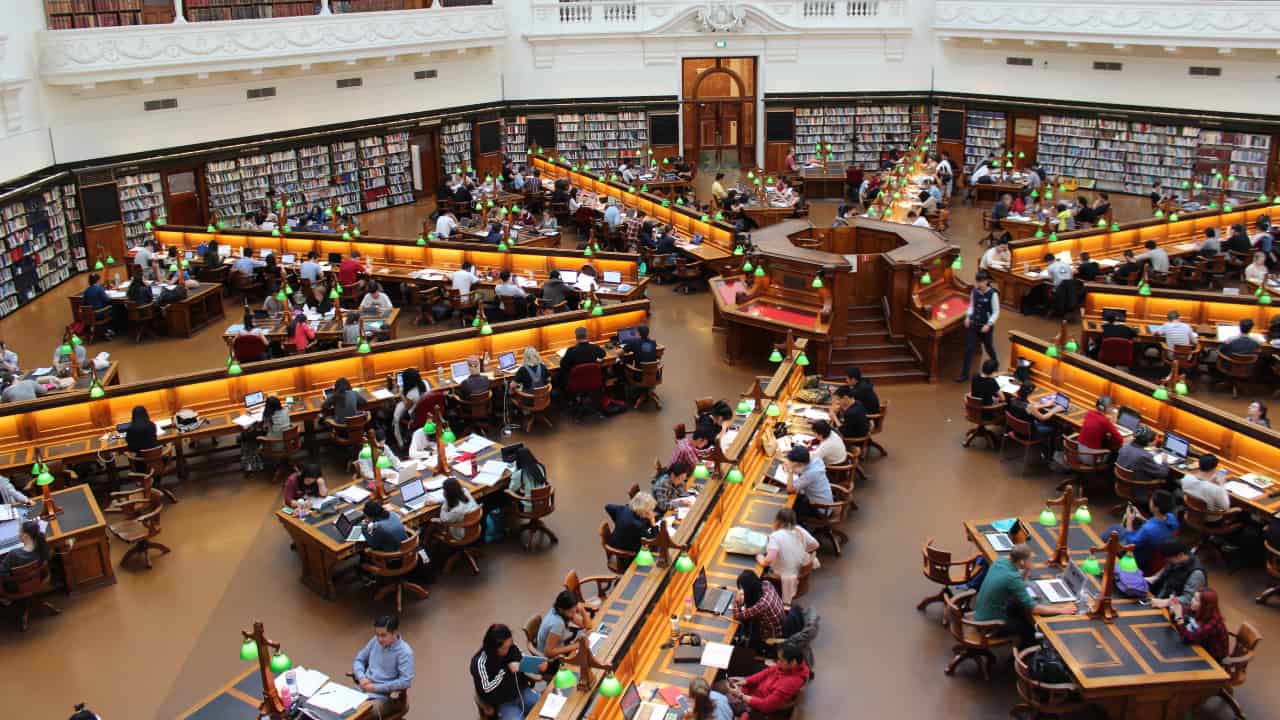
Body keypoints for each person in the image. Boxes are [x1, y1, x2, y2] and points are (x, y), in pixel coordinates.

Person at [972, 544, 1076, 646]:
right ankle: (1020, 657)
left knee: (1019, 607)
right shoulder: (1012, 578)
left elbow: (1017, 583)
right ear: (1022, 561)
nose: (1032, 562)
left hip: (982, 612)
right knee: (1030, 628)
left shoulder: (1000, 561)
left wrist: (1027, 569)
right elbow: (1034, 608)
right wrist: (1062, 610)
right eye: (1030, 560)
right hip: (990, 624)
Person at [471, 623, 542, 720]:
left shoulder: (511, 647)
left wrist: (536, 665)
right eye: (504, 648)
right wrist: (505, 670)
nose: (508, 650)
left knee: (546, 705)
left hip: (522, 692)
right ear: (494, 648)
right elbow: (486, 688)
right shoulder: (480, 662)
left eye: (510, 644)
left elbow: (522, 658)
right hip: (503, 703)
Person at [719, 644, 810, 719]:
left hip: (755, 705)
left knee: (720, 698)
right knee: (726, 684)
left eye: (781, 660)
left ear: (793, 662)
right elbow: (767, 672)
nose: (777, 662)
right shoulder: (790, 666)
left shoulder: (790, 683)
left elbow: (766, 706)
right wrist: (746, 681)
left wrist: (740, 695)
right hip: (752, 692)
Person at [1102, 489, 1178, 573]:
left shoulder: (1147, 529)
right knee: (1117, 527)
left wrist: (1129, 520)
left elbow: (1130, 544)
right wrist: (1142, 518)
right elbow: (1158, 526)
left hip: (1136, 557)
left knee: (1113, 531)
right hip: (1151, 548)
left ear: (1156, 508)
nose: (1150, 501)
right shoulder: (1171, 518)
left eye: (1151, 500)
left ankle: (1100, 552)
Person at [352, 615, 415, 715]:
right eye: (377, 634)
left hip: (383, 697)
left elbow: (405, 682)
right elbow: (359, 660)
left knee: (362, 715)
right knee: (338, 707)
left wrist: (375, 688)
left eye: (383, 635)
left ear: (395, 633)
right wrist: (361, 677)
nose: (379, 639)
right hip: (361, 688)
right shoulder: (374, 641)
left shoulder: (405, 653)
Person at [757, 508, 819, 604]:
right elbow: (815, 545)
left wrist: (760, 558)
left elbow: (768, 561)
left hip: (783, 574)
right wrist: (800, 550)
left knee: (759, 573)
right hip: (799, 569)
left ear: (777, 521)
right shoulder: (799, 529)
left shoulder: (775, 536)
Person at [955, 270, 1000, 382]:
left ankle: (996, 366)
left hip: (986, 327)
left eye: (981, 281)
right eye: (977, 281)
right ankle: (964, 374)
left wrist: (989, 324)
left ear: (987, 281)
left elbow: (996, 311)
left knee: (989, 347)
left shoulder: (993, 294)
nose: (979, 284)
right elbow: (971, 306)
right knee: (969, 349)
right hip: (974, 325)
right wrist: (968, 316)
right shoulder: (974, 291)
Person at [733, 569, 785, 653]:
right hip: (780, 625)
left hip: (771, 636)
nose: (741, 591)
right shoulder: (766, 584)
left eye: (743, 589)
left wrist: (737, 601)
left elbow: (737, 615)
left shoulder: (762, 604)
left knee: (742, 629)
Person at [1170, 587, 1229, 661]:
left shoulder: (1213, 624)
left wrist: (1179, 617)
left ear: (1205, 606)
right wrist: (1174, 611)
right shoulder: (1197, 610)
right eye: (1193, 597)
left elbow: (1188, 638)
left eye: (1196, 600)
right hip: (1198, 647)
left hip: (1211, 660)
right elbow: (1180, 617)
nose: (1192, 601)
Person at [1006, 383, 1064, 457]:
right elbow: (1043, 418)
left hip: (1016, 430)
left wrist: (1046, 405)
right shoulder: (1029, 407)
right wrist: (1055, 410)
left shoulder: (1013, 400)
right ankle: (1049, 455)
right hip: (1029, 435)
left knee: (1048, 422)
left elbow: (1031, 408)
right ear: (1030, 393)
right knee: (1056, 427)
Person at [1149, 539, 1207, 609]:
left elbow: (1188, 599)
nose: (1168, 562)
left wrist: (1166, 602)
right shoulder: (1176, 561)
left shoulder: (1196, 574)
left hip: (1173, 609)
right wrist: (1151, 579)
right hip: (1157, 599)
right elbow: (1160, 575)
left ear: (1180, 555)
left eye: (1169, 560)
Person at [536, 590, 587, 665]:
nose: (574, 614)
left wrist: (582, 610)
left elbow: (585, 625)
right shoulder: (558, 623)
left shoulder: (557, 610)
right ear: (561, 609)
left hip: (560, 648)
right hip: (550, 661)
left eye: (575, 610)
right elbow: (548, 652)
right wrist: (575, 646)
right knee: (585, 662)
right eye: (571, 612)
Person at [784, 446, 832, 519]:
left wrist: (790, 470)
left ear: (800, 464)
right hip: (825, 501)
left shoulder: (811, 474)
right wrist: (793, 466)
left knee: (790, 507)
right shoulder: (815, 459)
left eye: (794, 465)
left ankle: (801, 525)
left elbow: (790, 489)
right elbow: (802, 470)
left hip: (821, 509)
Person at [1, 521, 52, 590]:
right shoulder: (42, 548)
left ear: (25, 536)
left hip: (18, 587)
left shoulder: (13, 554)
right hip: (38, 580)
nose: (18, 535)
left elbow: (2, 573)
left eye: (19, 532)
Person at [1181, 453, 1230, 521]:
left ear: (1199, 465)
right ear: (1214, 469)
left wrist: (1209, 481)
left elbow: (1200, 486)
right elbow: (1226, 507)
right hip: (1210, 519)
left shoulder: (1187, 478)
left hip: (1191, 513)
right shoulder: (1217, 490)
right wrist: (1222, 485)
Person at [1078, 395, 1122, 463]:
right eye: (1112, 407)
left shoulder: (1090, 413)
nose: (1113, 409)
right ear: (1106, 408)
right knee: (1113, 454)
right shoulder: (1105, 421)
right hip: (1090, 456)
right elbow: (1119, 439)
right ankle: (1105, 473)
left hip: (1079, 451)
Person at [392, 368, 429, 448]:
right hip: (427, 415)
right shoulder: (425, 384)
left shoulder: (411, 394)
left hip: (415, 418)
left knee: (396, 416)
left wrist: (401, 393)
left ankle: (400, 442)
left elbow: (406, 406)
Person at [506, 445, 547, 512]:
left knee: (506, 492)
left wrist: (515, 471)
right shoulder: (540, 466)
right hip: (543, 503)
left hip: (529, 507)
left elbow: (512, 488)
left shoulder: (521, 473)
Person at [124, 406, 159, 471]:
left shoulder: (131, 428)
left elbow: (128, 442)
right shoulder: (151, 425)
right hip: (156, 459)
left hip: (141, 462)